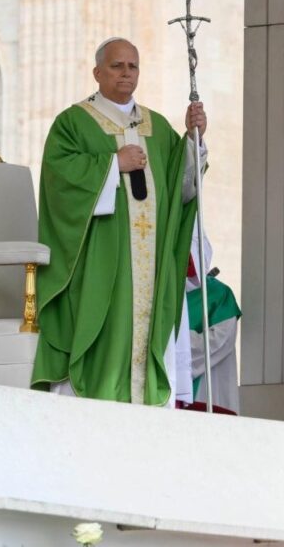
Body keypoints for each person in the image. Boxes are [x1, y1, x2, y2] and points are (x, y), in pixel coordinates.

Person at [31, 37, 207, 406]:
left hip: (150, 262)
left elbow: (181, 189)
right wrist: (113, 164)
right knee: (103, 334)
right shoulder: (73, 123)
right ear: (97, 72)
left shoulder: (157, 126)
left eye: (133, 66)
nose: (126, 73)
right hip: (100, 257)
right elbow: (59, 181)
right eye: (117, 66)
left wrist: (193, 141)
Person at [180, 222, 241, 415]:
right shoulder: (168, 293)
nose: (187, 261)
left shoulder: (219, 294)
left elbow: (219, 341)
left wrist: (176, 341)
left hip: (209, 388)